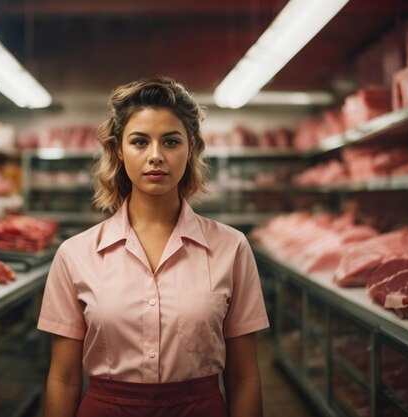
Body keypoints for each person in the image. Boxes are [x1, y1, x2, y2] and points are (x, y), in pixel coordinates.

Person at [37, 75, 269, 417]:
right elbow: (64, 379)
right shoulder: (75, 254)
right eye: (140, 142)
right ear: (119, 149)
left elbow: (244, 375)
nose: (156, 156)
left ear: (190, 148)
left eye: (171, 142)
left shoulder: (231, 248)